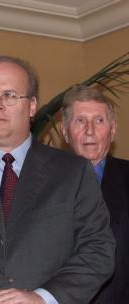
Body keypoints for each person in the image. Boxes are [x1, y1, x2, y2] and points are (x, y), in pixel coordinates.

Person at [0, 55, 115, 304]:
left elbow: (98, 250)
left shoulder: (73, 172)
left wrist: (43, 299)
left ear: (31, 106)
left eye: (9, 95)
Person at [61, 84, 129, 303]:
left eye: (99, 121)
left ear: (113, 129)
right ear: (65, 132)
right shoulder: (39, 184)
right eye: (80, 121)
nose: (90, 130)